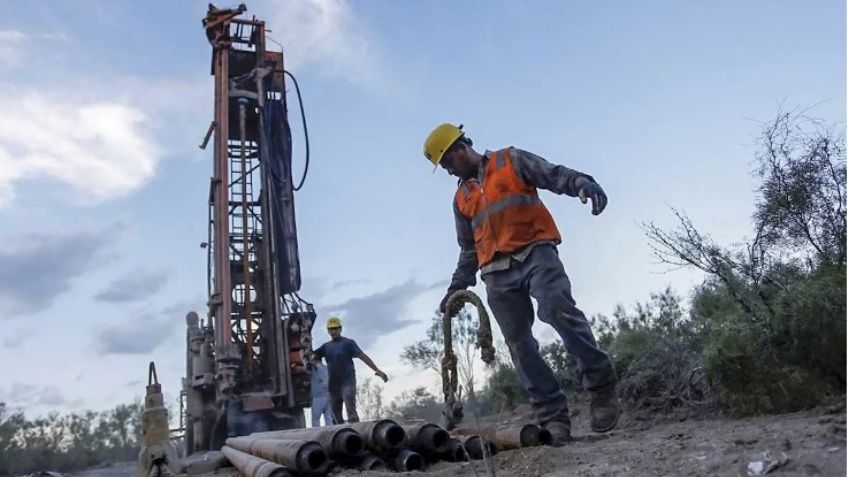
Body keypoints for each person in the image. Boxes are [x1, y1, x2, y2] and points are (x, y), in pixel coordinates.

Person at [422, 123, 620, 445]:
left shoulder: (510, 161)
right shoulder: (461, 198)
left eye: (447, 163)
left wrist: (582, 182)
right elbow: (468, 248)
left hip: (536, 253)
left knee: (558, 310)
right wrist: (455, 287)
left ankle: (601, 386)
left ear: (460, 147)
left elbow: (553, 175)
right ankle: (553, 418)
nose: (447, 171)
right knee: (519, 345)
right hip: (496, 274)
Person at [313, 316, 389, 423]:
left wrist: (377, 370)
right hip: (333, 385)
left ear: (340, 329)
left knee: (351, 410)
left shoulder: (348, 343)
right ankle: (342, 436)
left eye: (336, 328)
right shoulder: (326, 347)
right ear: (328, 331)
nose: (334, 331)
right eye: (331, 329)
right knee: (335, 414)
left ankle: (357, 433)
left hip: (347, 382)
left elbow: (362, 356)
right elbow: (313, 356)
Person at [309, 356, 335, 427]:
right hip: (328, 396)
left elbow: (309, 366)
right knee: (328, 418)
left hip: (318, 396)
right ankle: (330, 432)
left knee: (315, 419)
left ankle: (316, 435)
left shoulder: (315, 368)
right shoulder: (327, 368)